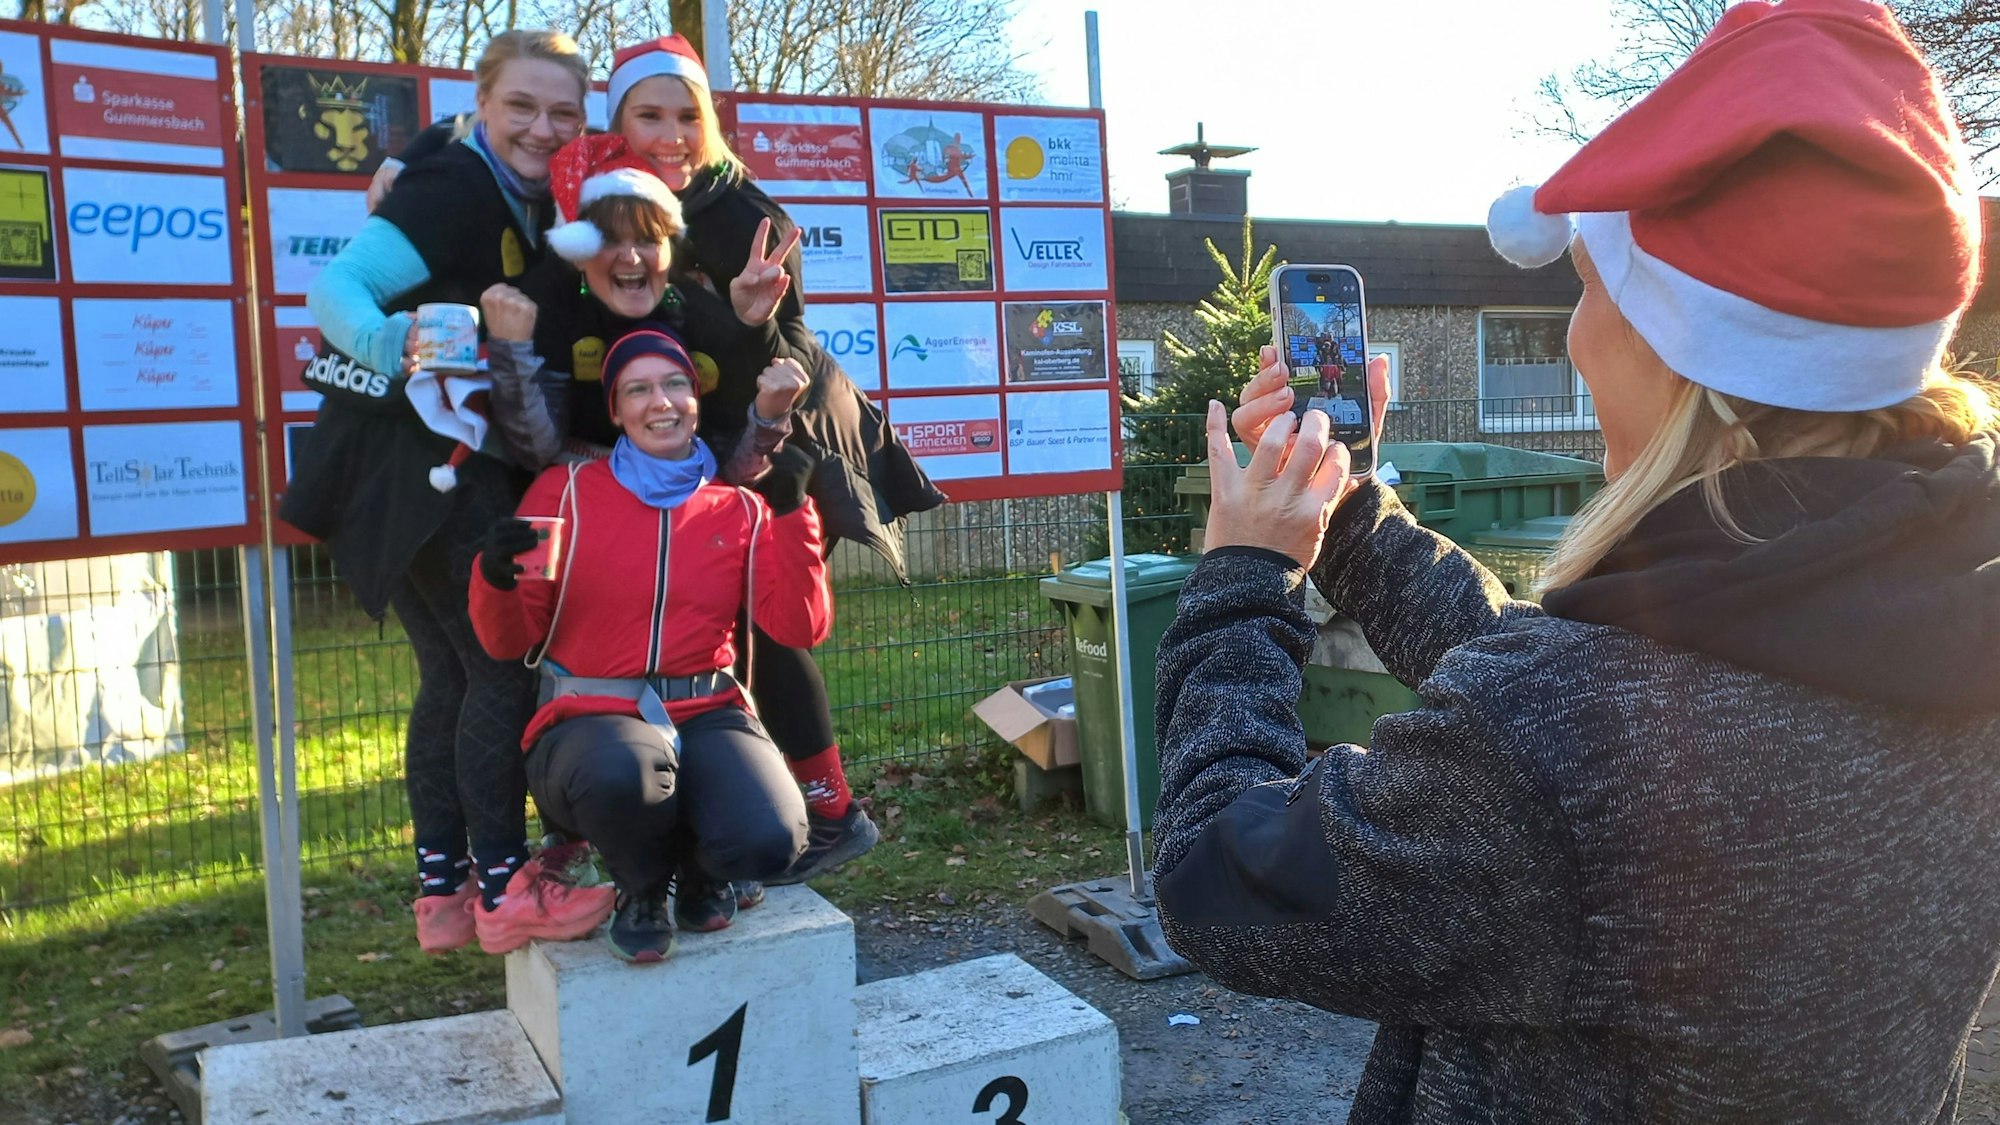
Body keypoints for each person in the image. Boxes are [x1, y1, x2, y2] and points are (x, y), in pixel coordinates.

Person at [1150, 2, 2000, 1122]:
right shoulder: (1939, 609)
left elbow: (1216, 879)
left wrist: (1242, 581)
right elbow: (1599, 705)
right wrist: (1346, 509)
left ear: (1680, 350)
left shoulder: (1562, 736)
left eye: (1590, 291)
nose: (1572, 335)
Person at [381, 39, 947, 883]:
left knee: (746, 618)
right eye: (651, 115)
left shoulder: (735, 212)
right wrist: (410, 160)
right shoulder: (599, 190)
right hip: (690, 448)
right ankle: (638, 810)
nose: (672, 134)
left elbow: (789, 349)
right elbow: (499, 126)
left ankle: (811, 811)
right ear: (617, 130)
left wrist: (756, 375)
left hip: (782, 436)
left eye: (689, 116)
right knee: (648, 621)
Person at [281, 30, 613, 956]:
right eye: (522, 107)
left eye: (561, 112)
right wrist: (394, 348)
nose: (542, 128)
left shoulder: (508, 185)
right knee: (497, 665)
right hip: (416, 470)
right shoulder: (455, 186)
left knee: (454, 674)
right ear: (483, 103)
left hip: (401, 471)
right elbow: (337, 287)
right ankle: (507, 890)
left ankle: (444, 891)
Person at [469, 326, 827, 962]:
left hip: (709, 710)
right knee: (622, 774)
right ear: (615, 410)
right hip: (589, 722)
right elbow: (509, 639)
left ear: (695, 397)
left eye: (674, 384)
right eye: (638, 389)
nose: (659, 401)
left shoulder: (739, 505)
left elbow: (800, 629)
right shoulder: (565, 493)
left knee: (772, 840)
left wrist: (795, 514)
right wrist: (493, 578)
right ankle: (640, 891)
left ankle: (703, 872)